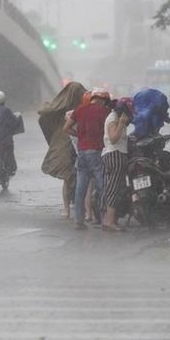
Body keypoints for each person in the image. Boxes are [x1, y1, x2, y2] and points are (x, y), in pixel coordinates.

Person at [63, 87, 110, 230]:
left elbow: (66, 128)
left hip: (82, 152)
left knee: (80, 188)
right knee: (103, 186)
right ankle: (105, 218)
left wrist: (80, 136)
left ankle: (79, 220)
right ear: (102, 100)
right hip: (96, 152)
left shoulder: (80, 110)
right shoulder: (104, 112)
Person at [38, 82, 87, 220]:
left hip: (79, 147)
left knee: (76, 179)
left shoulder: (82, 108)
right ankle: (74, 209)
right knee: (73, 178)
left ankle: (73, 209)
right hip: (70, 148)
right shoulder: (64, 111)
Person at [101, 97, 133, 232]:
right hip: (115, 155)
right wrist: (121, 123)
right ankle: (109, 222)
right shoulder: (114, 118)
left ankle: (109, 219)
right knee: (113, 188)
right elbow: (113, 139)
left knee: (114, 187)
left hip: (115, 154)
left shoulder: (113, 117)